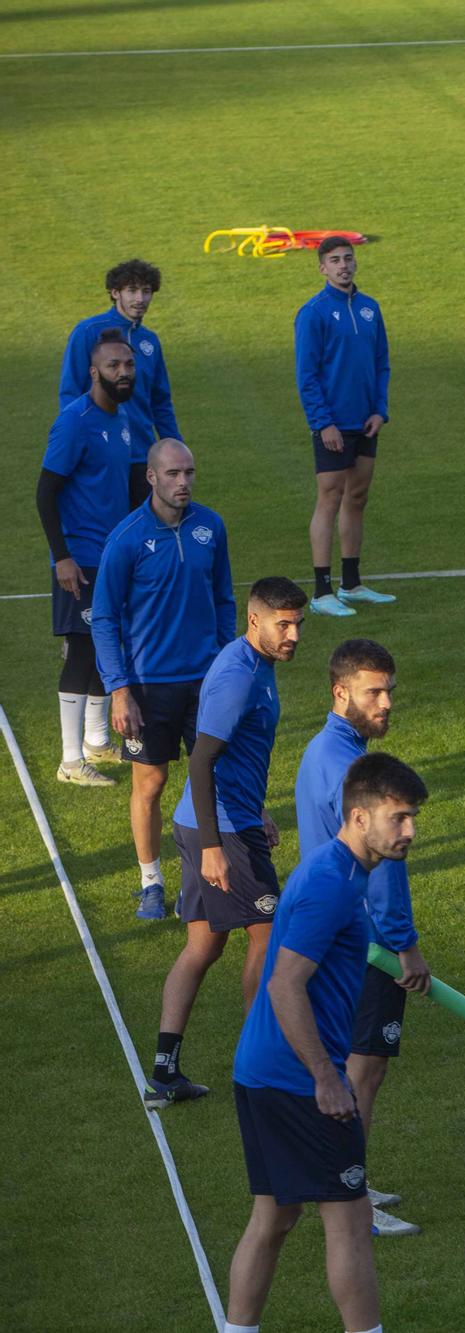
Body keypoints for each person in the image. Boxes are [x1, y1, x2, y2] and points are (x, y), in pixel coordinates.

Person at [223, 752, 428, 1333]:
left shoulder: (337, 872)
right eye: (400, 818)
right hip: (294, 1081)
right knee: (349, 1217)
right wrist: (326, 1076)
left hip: (263, 1071)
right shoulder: (331, 885)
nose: (410, 832)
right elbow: (287, 985)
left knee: (275, 1214)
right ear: (360, 817)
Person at [145, 577, 307, 1108]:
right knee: (268, 935)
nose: (294, 635)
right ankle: (263, 1062)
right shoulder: (240, 677)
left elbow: (225, 751)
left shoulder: (252, 663)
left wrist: (256, 807)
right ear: (254, 620)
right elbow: (200, 758)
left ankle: (164, 1069)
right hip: (221, 830)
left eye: (298, 624)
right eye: (283, 624)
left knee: (204, 944)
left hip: (222, 819)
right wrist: (215, 845)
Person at [296, 638, 429, 1237]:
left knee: (356, 1067)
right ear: (340, 691)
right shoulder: (355, 773)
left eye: (390, 691)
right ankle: (348, 1194)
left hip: (341, 932)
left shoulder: (323, 750)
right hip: (369, 942)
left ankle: (348, 1178)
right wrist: (406, 945)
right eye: (374, 692)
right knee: (362, 1072)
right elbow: (383, 872)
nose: (386, 703)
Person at [91, 439, 235, 920]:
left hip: (204, 681)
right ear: (151, 477)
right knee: (150, 784)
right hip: (149, 687)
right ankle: (151, 881)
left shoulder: (210, 527)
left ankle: (201, 878)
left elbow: (223, 598)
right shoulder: (127, 539)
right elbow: (105, 618)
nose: (183, 483)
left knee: (212, 777)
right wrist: (120, 690)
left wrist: (225, 662)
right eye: (173, 474)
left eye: (189, 473)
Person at [37, 329, 140, 788]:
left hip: (114, 555)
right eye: (114, 366)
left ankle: (98, 741)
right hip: (81, 558)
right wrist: (62, 557)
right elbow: (45, 493)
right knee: (82, 648)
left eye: (128, 365)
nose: (123, 372)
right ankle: (69, 760)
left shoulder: (123, 419)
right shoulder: (75, 421)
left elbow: (134, 486)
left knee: (108, 645)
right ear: (94, 371)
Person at [296, 234, 395, 618]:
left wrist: (379, 410)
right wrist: (324, 423)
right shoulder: (313, 313)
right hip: (333, 425)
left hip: (365, 422)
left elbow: (382, 362)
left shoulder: (371, 308)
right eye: (335, 260)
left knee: (357, 498)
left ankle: (351, 584)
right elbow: (307, 375)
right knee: (330, 498)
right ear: (322, 267)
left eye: (348, 258)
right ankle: (321, 590)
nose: (343, 265)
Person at [60, 257, 182, 503]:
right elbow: (70, 392)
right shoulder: (88, 332)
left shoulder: (150, 342)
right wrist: (75, 444)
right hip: (100, 453)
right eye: (132, 291)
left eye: (146, 292)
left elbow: (160, 402)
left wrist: (177, 449)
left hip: (142, 455)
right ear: (115, 293)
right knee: (104, 529)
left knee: (143, 531)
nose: (140, 299)